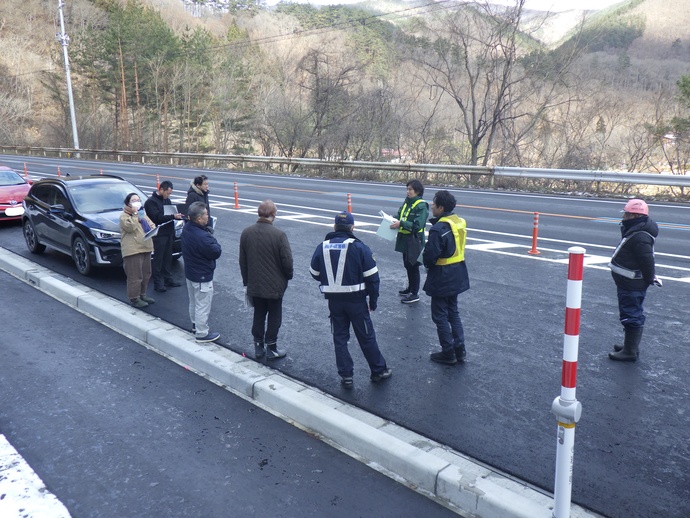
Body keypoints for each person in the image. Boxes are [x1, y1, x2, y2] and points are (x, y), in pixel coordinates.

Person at [310, 211, 392, 388]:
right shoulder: (359, 247)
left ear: (334, 227)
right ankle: (378, 371)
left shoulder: (322, 247)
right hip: (356, 301)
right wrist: (373, 301)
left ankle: (346, 376)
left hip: (334, 302)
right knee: (366, 336)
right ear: (352, 228)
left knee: (340, 338)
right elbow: (373, 278)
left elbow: (315, 273)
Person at [239, 200, 294, 360]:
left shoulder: (246, 233)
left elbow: (243, 261)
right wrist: (287, 276)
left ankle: (258, 346)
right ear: (273, 214)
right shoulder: (279, 235)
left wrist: (246, 281)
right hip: (275, 285)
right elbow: (287, 262)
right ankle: (272, 347)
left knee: (259, 313)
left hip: (254, 283)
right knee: (274, 315)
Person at [608, 199, 660, 362]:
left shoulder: (640, 236)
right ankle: (629, 346)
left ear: (635, 215)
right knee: (629, 312)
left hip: (632, 283)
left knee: (631, 314)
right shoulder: (636, 230)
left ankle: (630, 351)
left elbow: (647, 260)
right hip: (628, 282)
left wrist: (650, 278)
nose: (624, 216)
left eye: (627, 214)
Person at [422, 190, 470, 365]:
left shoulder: (438, 229)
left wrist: (426, 260)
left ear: (441, 207)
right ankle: (460, 349)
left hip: (443, 276)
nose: (432, 206)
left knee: (440, 315)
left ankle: (448, 352)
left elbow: (429, 256)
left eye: (434, 204)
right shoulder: (458, 222)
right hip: (458, 272)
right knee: (453, 312)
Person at [181, 201, 222, 343]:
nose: (208, 216)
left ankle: (195, 325)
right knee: (202, 304)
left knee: (193, 301)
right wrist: (211, 237)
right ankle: (202, 333)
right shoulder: (203, 237)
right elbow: (216, 251)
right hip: (202, 274)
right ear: (199, 218)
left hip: (191, 272)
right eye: (206, 214)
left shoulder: (187, 228)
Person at [390, 179, 429, 304]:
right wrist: (391, 219)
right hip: (404, 238)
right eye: (407, 189)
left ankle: (415, 293)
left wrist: (401, 223)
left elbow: (418, 225)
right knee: (407, 264)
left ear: (417, 191)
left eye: (410, 189)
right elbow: (400, 215)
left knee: (413, 265)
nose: (408, 192)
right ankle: (410, 288)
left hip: (414, 240)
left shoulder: (421, 205)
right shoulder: (407, 202)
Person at [144, 180, 185, 293]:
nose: (168, 195)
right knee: (158, 259)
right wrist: (172, 216)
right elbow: (156, 217)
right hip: (159, 234)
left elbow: (169, 215)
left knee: (168, 257)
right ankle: (158, 283)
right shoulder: (150, 202)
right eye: (168, 193)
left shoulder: (167, 200)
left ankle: (168, 279)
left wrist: (177, 216)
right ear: (161, 190)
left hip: (169, 232)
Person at [119, 193, 156, 308]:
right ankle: (134, 298)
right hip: (133, 249)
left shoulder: (143, 214)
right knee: (135, 275)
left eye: (138, 200)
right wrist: (135, 214)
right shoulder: (124, 216)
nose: (137, 202)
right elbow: (130, 227)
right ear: (128, 203)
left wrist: (153, 229)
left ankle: (142, 294)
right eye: (134, 200)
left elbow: (152, 226)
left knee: (146, 273)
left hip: (146, 247)